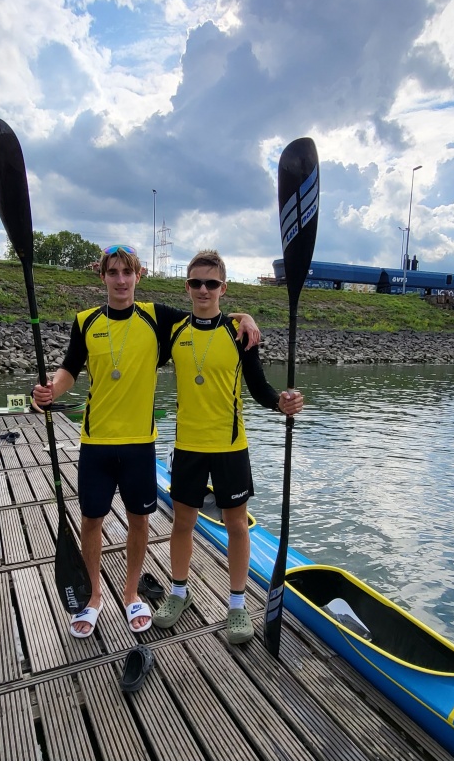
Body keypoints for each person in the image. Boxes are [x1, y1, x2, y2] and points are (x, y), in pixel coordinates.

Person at [32, 245, 260, 638]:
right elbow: (69, 367)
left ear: (139, 276)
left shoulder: (157, 318)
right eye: (113, 273)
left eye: (127, 272)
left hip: (140, 444)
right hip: (96, 441)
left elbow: (207, 315)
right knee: (91, 521)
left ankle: (132, 592)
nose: (120, 280)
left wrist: (246, 316)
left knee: (139, 522)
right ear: (102, 276)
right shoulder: (85, 321)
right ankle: (92, 596)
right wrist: (51, 388)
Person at [151, 249, 303, 644]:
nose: (204, 290)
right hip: (187, 446)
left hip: (230, 446)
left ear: (224, 287)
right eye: (196, 283)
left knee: (237, 525)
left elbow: (259, 387)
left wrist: (280, 403)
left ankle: (237, 605)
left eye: (212, 283)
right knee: (183, 523)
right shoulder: (173, 328)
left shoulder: (239, 334)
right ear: (187, 287)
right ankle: (180, 593)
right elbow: (126, 305)